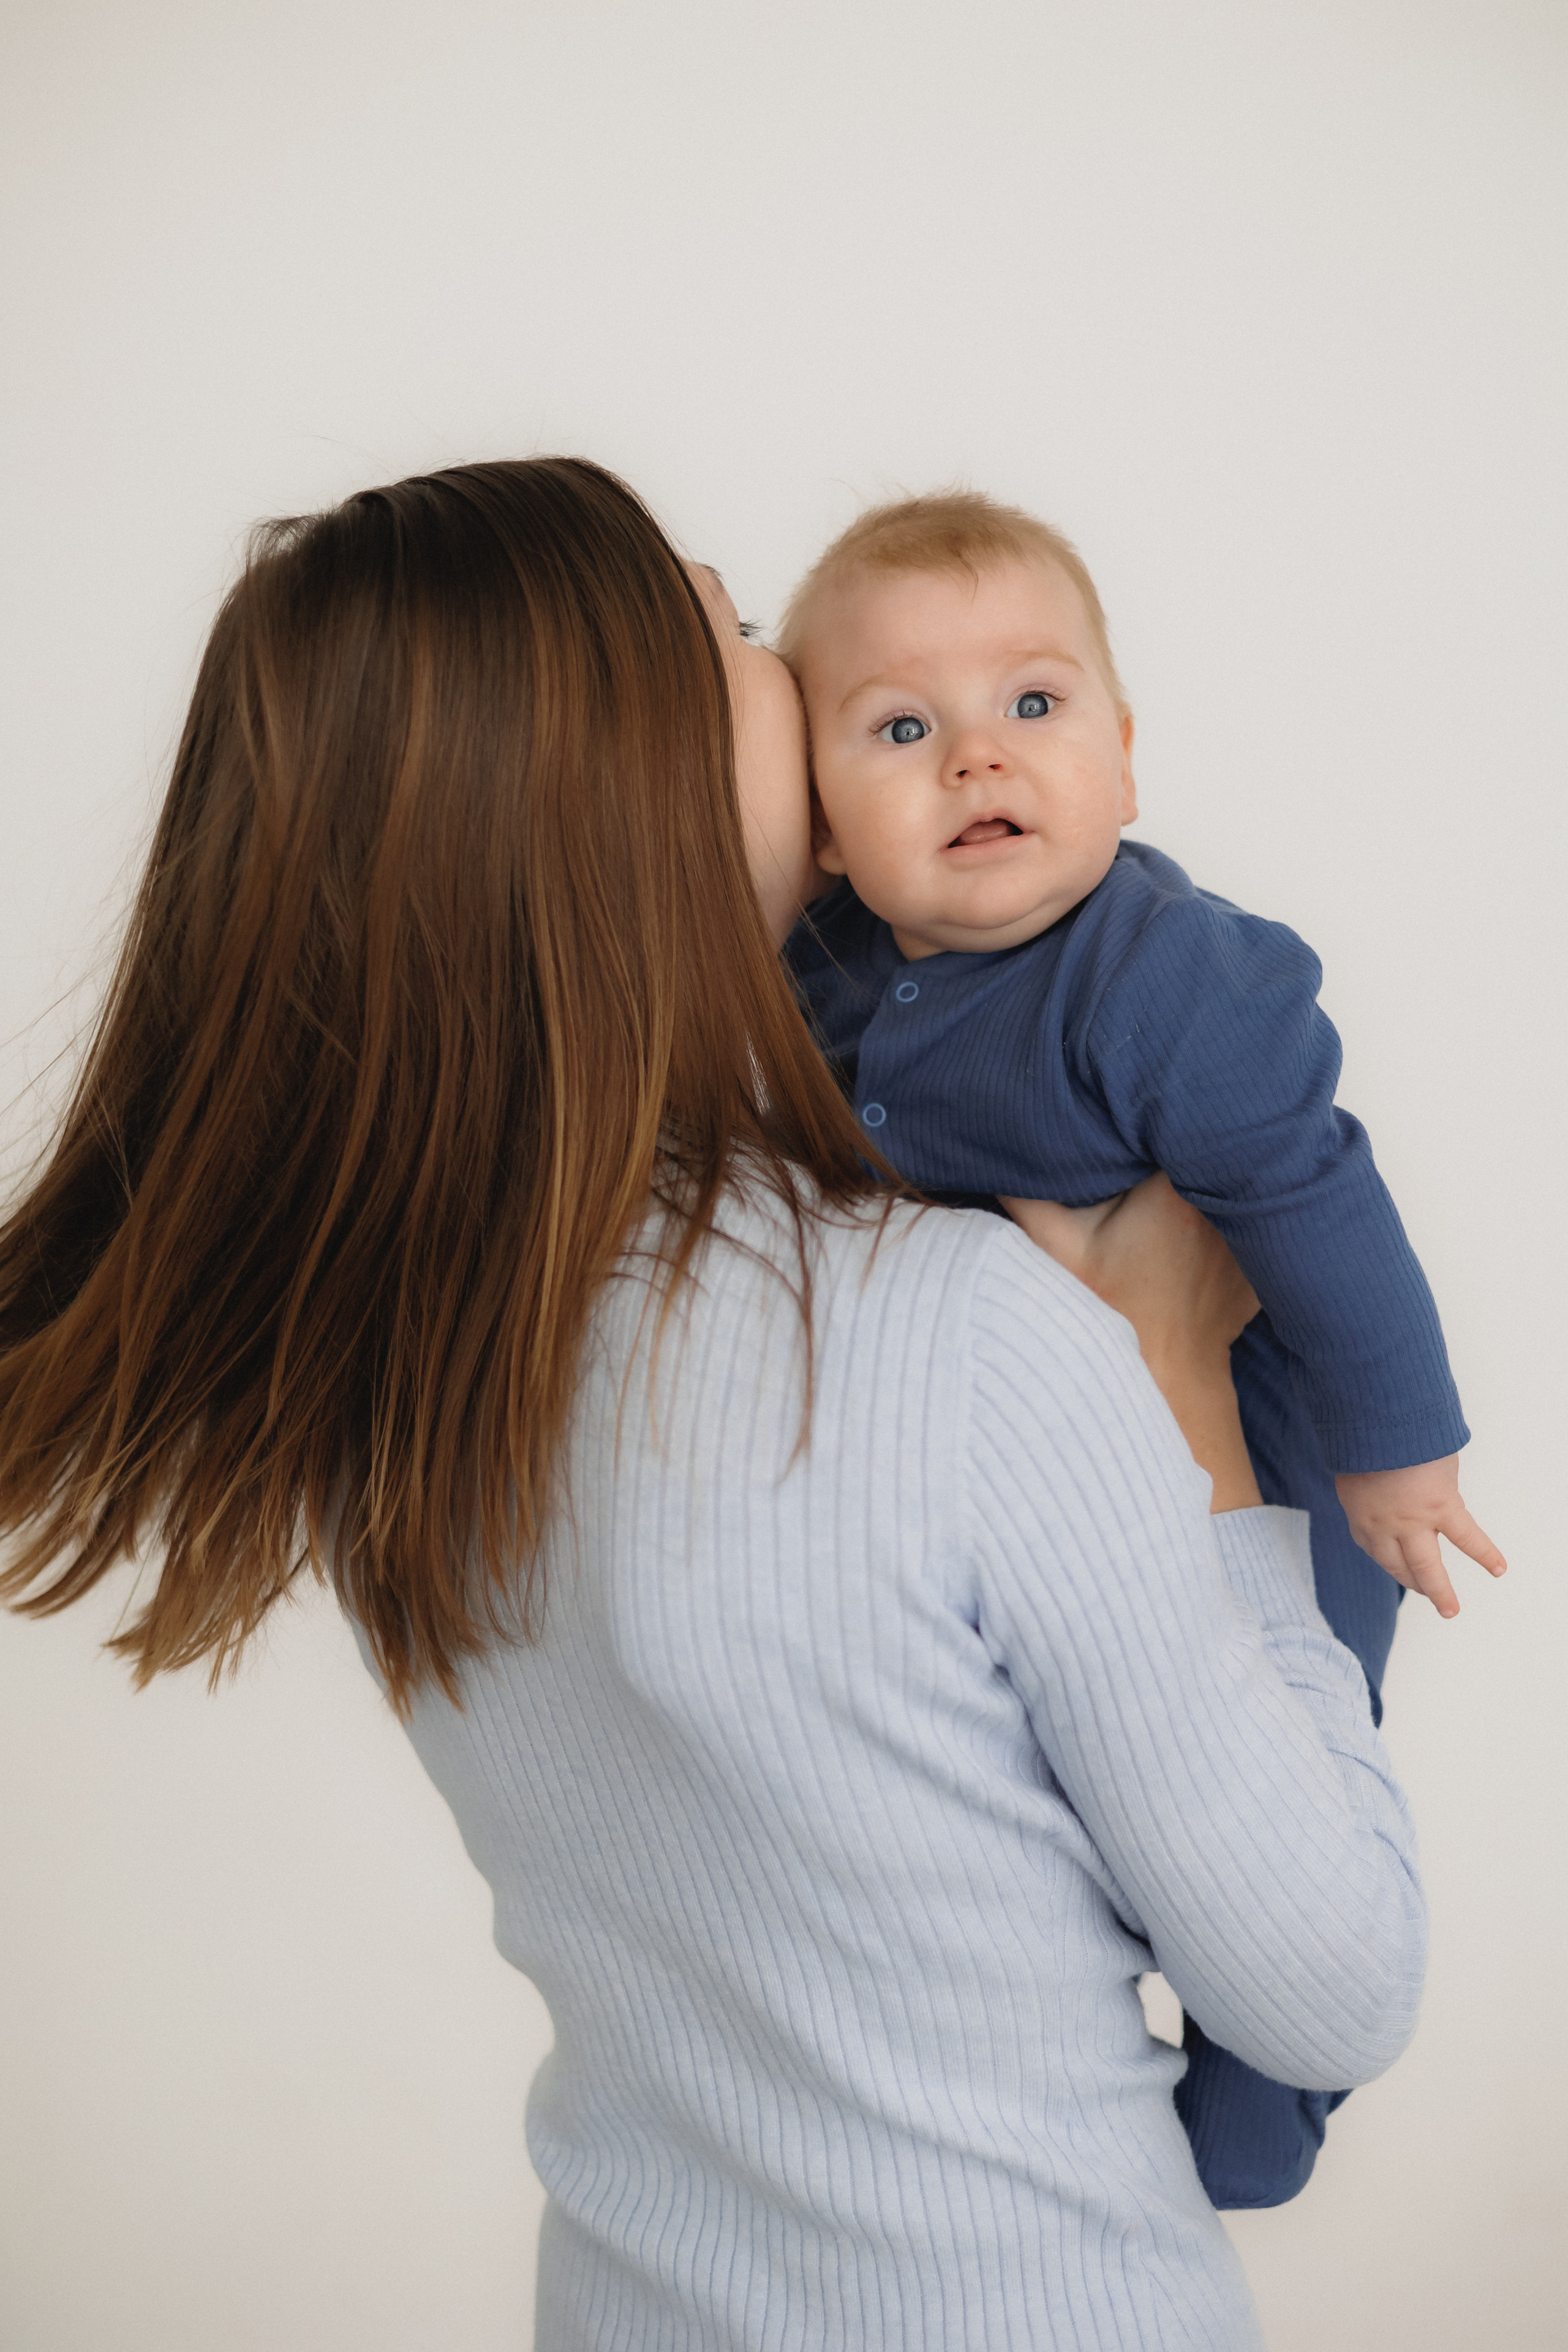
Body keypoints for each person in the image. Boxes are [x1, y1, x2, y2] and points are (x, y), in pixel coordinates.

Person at [0, 458, 1425, 2351]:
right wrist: (1175, 1380)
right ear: (634, 784)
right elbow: (1332, 1990)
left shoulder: (392, 1369)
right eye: (737, 632)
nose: (794, 669)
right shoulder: (953, 1337)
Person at [779, 489, 1502, 2206]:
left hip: (1271, 1441)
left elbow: (1322, 1206)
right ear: (814, 824)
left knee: (1270, 1759)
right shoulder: (809, 969)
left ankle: (1261, 2112)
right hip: (1033, 1474)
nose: (978, 760)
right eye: (902, 728)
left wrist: (1402, 1456)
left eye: (1034, 706)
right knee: (1082, 1773)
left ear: (1124, 755)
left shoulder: (1168, 978)